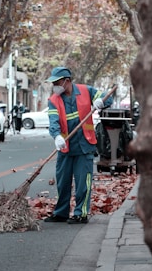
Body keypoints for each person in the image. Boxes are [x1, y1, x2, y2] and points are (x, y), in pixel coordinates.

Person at [44, 67, 113, 224]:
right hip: (65, 146)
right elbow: (53, 121)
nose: (54, 85)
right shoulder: (54, 100)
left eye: (56, 82)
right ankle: (61, 213)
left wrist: (101, 102)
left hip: (84, 145)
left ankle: (81, 213)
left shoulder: (86, 90)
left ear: (66, 81)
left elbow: (108, 99)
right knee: (62, 182)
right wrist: (56, 137)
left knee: (83, 183)